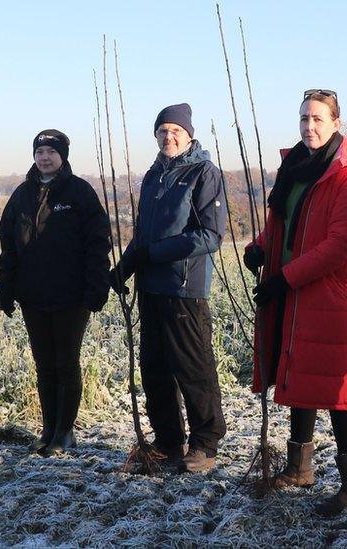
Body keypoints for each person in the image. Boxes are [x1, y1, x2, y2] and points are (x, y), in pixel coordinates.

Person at [243, 89, 347, 516]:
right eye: (304, 118)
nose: (309, 126)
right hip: (293, 290)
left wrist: (286, 277)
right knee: (299, 373)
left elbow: (341, 244)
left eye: (318, 119)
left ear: (336, 123)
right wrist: (261, 247)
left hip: (331, 296)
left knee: (337, 391)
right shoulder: (296, 168)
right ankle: (300, 468)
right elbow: (287, 224)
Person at [112, 103, 227, 473]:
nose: (168, 136)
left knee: (193, 368)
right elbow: (142, 236)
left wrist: (156, 254)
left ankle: (205, 443)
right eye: (162, 130)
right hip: (151, 289)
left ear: (189, 134)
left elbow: (210, 236)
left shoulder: (203, 173)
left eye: (175, 130)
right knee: (155, 369)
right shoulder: (152, 176)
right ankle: (167, 442)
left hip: (184, 288)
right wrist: (124, 269)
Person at [0, 129, 111, 456]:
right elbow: (9, 247)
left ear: (63, 156)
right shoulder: (22, 195)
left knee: (65, 362)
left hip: (71, 296)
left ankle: (65, 431)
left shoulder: (78, 192)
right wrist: (6, 288)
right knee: (44, 364)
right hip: (33, 295)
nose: (45, 157)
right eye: (40, 151)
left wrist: (96, 285)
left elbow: (97, 242)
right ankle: (47, 429)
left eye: (51, 151)